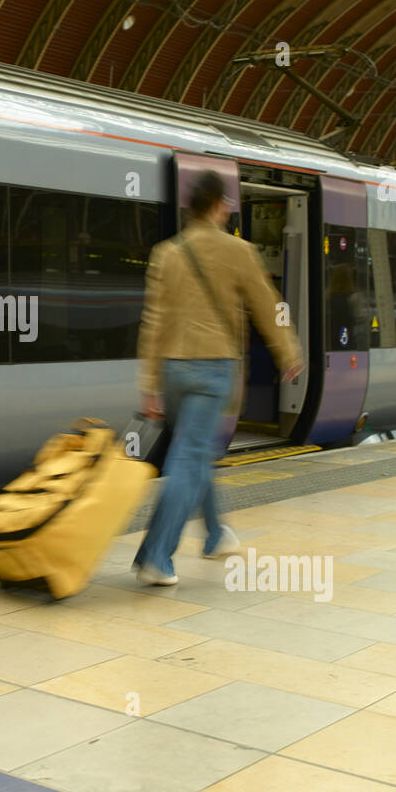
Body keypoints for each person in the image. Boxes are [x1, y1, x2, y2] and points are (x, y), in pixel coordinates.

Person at [134, 170, 304, 585]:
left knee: (194, 449)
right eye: (227, 202)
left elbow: (152, 322)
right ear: (215, 205)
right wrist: (288, 353)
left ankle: (215, 535)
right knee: (190, 457)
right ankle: (156, 556)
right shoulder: (238, 250)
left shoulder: (167, 252)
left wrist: (150, 383)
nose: (230, 209)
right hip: (213, 368)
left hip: (173, 369)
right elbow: (268, 305)